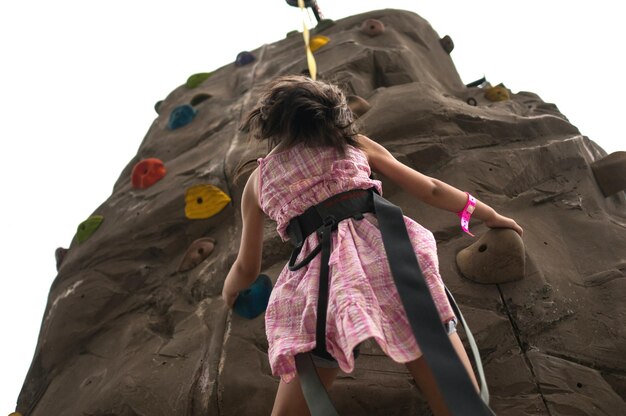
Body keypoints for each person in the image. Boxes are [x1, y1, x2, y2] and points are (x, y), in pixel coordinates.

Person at [222, 75, 523, 416]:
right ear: (329, 112)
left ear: (270, 122)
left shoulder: (257, 182)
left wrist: (230, 293)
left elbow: (247, 267)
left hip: (321, 284)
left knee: (308, 373)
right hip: (391, 259)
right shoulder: (352, 143)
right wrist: (487, 214)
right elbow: (431, 189)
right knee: (455, 394)